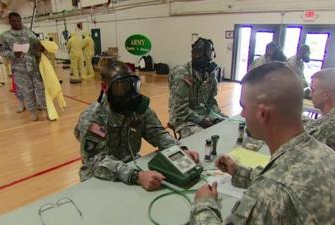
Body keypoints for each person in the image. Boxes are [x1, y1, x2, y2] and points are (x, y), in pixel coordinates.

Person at [190, 62, 335, 225]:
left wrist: (204, 204)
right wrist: (239, 172)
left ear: (262, 114)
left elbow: (280, 187)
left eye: (244, 107)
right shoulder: (327, 156)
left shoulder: (270, 195)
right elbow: (292, 178)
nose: (243, 114)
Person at [75, 59, 199, 191]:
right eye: (121, 88)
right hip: (99, 176)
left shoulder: (137, 108)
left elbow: (158, 134)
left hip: (131, 166)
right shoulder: (93, 117)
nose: (129, 93)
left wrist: (180, 150)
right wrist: (136, 176)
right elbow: (96, 161)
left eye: (132, 85)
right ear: (105, 88)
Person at [169, 37, 227, 138]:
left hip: (203, 113)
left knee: (227, 125)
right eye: (198, 53)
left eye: (209, 54)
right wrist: (202, 121)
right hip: (183, 119)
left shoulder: (208, 73)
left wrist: (216, 116)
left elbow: (211, 101)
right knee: (204, 137)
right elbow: (179, 110)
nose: (207, 58)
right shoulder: (183, 74)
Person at [0, 12, 45, 121]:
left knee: (40, 89)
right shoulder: (5, 36)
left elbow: (37, 46)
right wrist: (13, 54)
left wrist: (41, 48)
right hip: (19, 69)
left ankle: (45, 109)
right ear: (9, 21)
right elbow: (0, 50)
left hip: (34, 66)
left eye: (18, 20)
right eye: (14, 21)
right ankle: (33, 112)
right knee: (27, 91)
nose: (17, 23)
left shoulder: (29, 33)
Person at [30, 39, 67, 121]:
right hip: (33, 75)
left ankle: (47, 112)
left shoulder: (42, 53)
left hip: (43, 76)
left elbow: (54, 47)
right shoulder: (30, 55)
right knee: (33, 94)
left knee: (46, 94)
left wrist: (42, 45)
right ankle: (35, 112)